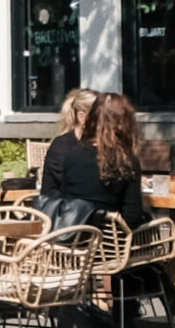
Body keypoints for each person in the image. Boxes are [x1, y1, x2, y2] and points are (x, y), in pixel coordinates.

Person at [39, 90, 152, 227]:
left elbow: (66, 199)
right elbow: (132, 218)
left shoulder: (72, 155)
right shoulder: (126, 161)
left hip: (73, 235)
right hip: (110, 243)